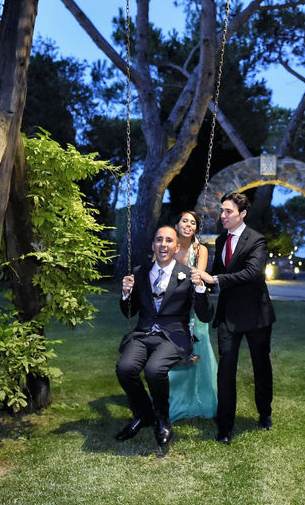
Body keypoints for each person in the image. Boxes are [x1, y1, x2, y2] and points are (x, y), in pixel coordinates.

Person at [116, 225, 212, 447]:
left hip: (173, 336)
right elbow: (129, 312)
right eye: (159, 240)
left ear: (177, 247)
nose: (163, 244)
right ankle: (143, 414)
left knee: (154, 370)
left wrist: (200, 288)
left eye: (169, 240)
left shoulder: (188, 274)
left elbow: (206, 315)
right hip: (144, 333)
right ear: (153, 245)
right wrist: (126, 293)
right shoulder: (140, 272)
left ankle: (162, 419)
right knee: (125, 368)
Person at [196, 192, 275, 445]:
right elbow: (216, 273)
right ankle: (225, 427)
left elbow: (253, 273)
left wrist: (215, 279)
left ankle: (264, 412)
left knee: (261, 367)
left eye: (228, 211)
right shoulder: (221, 240)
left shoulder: (257, 240)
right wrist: (201, 280)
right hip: (228, 316)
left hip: (256, 315)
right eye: (222, 211)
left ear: (243, 214)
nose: (223, 215)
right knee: (226, 370)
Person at [167, 210, 218, 420]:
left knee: (200, 345)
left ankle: (202, 398)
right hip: (172, 308)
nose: (188, 225)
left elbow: (198, 277)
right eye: (184, 221)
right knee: (173, 349)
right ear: (177, 225)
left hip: (194, 307)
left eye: (193, 223)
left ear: (196, 228)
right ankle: (175, 399)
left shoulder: (200, 250)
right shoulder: (168, 246)